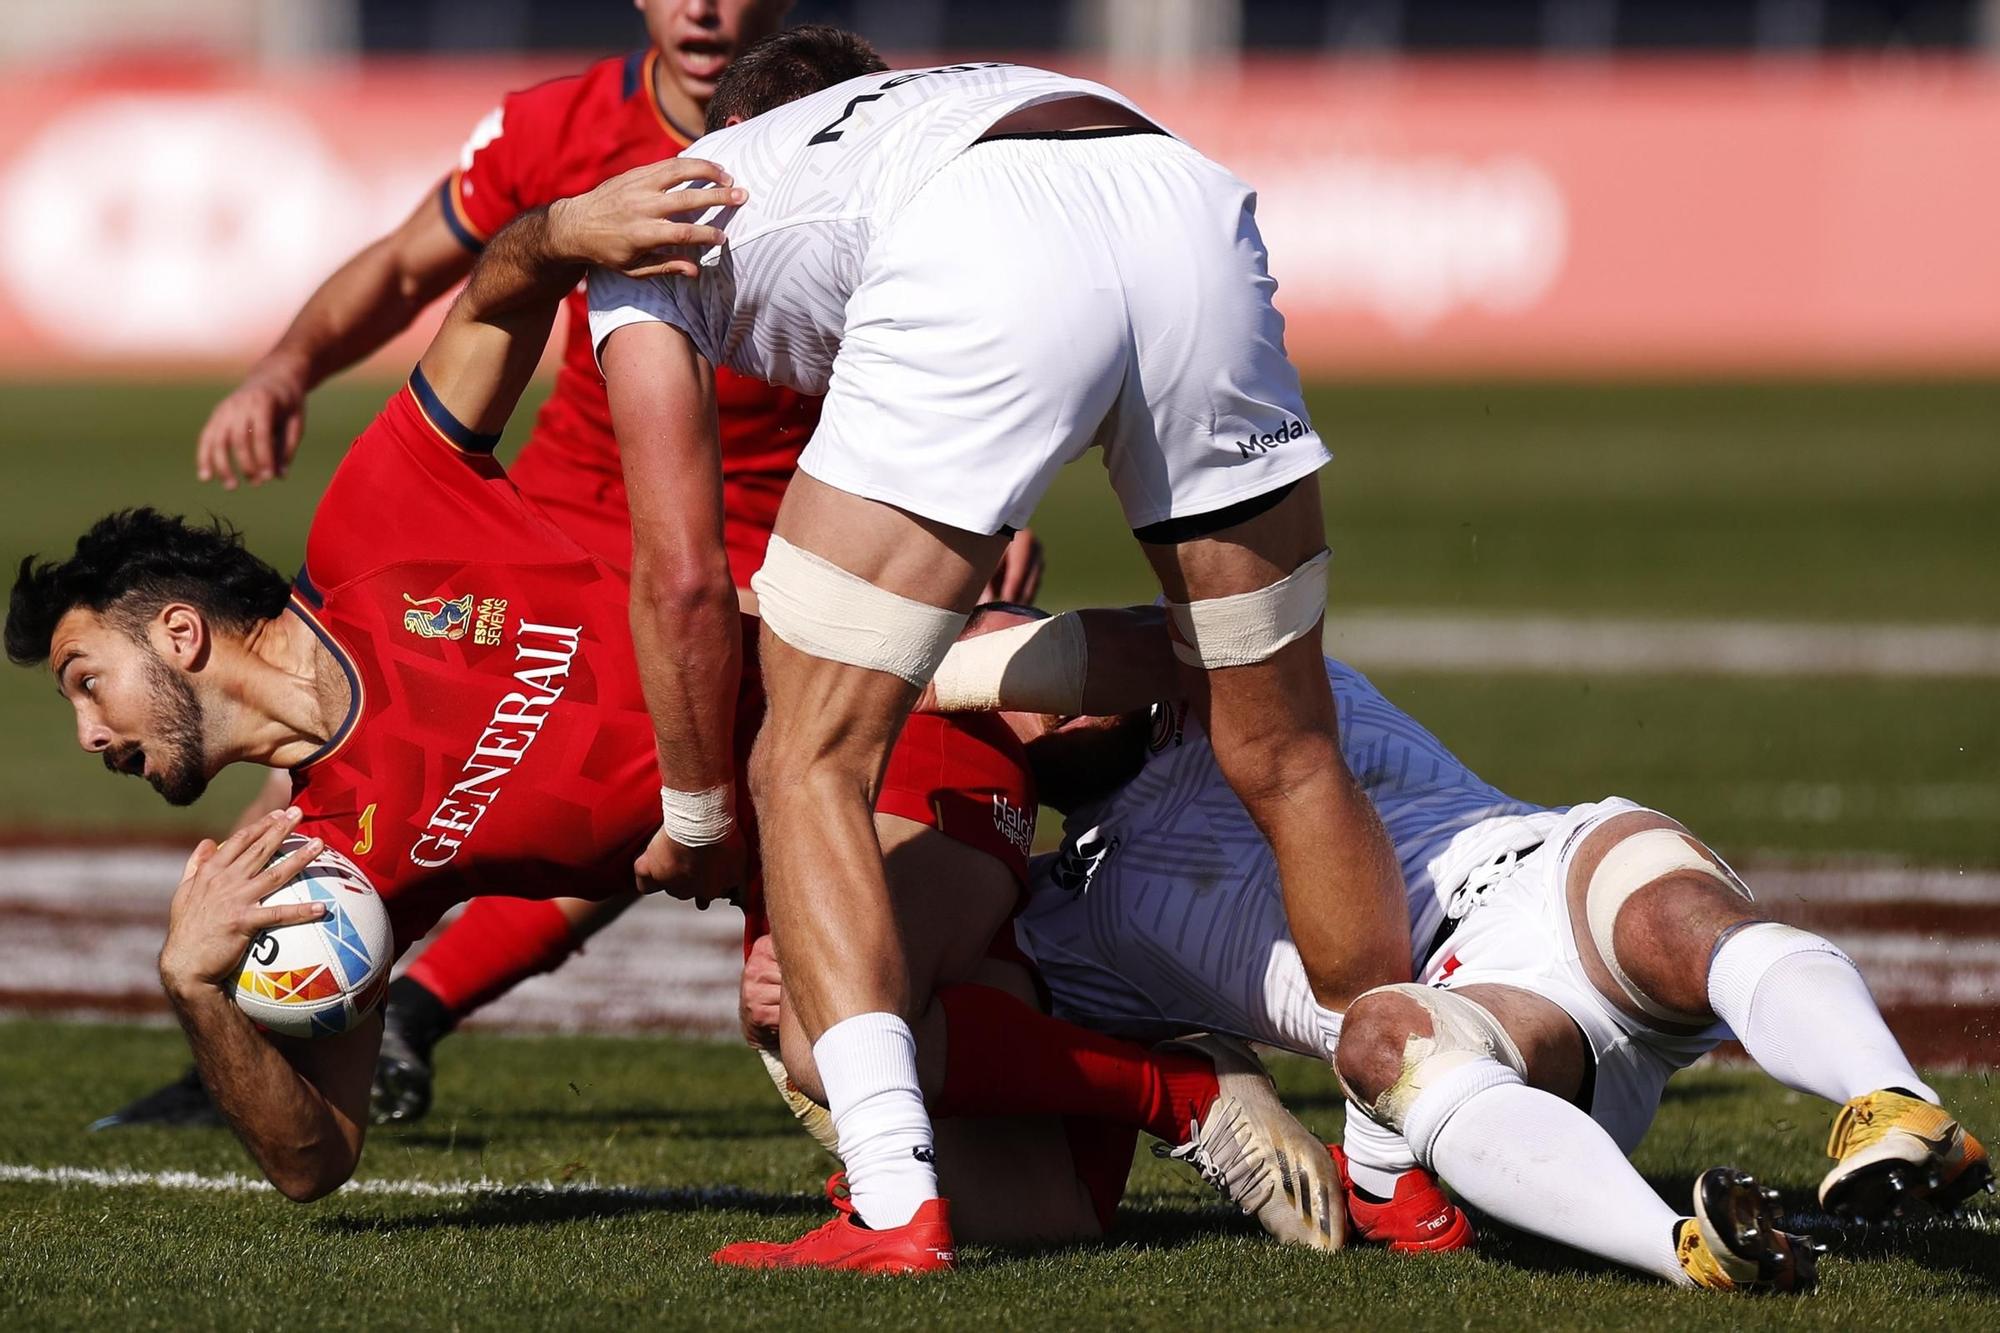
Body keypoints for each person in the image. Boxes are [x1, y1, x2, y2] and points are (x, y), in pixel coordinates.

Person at [5, 177, 1322, 1254]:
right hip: (788, 871)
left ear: (178, 632)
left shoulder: (378, 525)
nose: (90, 736)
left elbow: (496, 293)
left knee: (824, 1038)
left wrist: (565, 232)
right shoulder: (321, 872)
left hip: (865, 729)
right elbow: (314, 1163)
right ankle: (1068, 1010)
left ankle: (1186, 1093)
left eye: (85, 681)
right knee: (1039, 1215)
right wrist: (197, 989)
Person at [100, 2, 1038, 1131]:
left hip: (763, 538)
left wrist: (983, 506)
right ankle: (278, 1043)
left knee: (650, 782)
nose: (702, 6)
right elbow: (411, 265)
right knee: (324, 763)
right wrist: (287, 368)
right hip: (552, 527)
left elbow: (985, 321)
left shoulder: (863, 130)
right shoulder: (561, 128)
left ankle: (422, 1011)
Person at [589, 27, 1409, 1269]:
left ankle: (888, 1204)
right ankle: (1403, 1168)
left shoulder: (654, 218)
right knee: (1284, 744)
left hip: (979, 239)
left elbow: (686, 577)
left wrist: (699, 816)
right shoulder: (933, 97)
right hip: (1176, 191)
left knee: (805, 765)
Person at [906, 605, 1990, 1292]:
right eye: (1006, 700)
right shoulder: (1066, 912)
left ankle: (1892, 1104)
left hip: (1552, 867)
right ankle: (1689, 1250)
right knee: (1382, 1038)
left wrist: (919, 667)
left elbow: (1136, 648)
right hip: (1469, 1001)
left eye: (1027, 649)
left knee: (1674, 914)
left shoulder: (1221, 675)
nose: (1030, 697)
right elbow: (942, 1011)